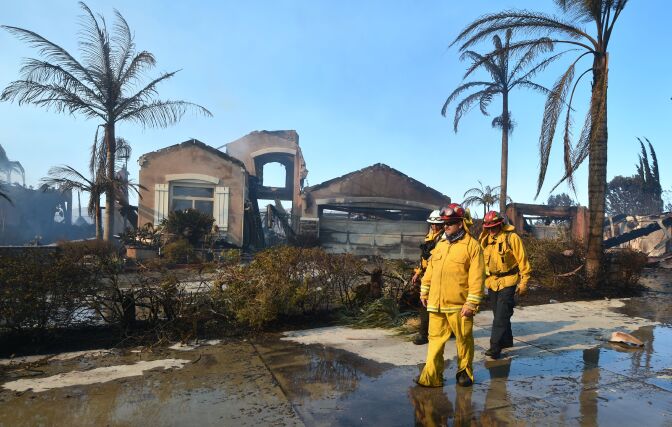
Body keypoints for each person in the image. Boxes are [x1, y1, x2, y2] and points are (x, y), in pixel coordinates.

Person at [416, 203, 485, 388]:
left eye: (450, 223)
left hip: (459, 305)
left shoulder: (472, 246)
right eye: (444, 223)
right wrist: (425, 289)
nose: (445, 226)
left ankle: (464, 373)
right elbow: (431, 269)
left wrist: (471, 303)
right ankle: (431, 376)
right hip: (436, 304)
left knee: (463, 341)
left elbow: (477, 278)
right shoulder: (441, 244)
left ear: (461, 223)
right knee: (435, 342)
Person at [479, 210, 531, 359]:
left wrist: (524, 282)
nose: (491, 230)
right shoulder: (485, 240)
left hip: (509, 281)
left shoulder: (512, 238)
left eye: (494, 226)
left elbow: (523, 261)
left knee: (500, 316)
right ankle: (507, 341)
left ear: (501, 224)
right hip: (492, 282)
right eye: (488, 227)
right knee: (499, 314)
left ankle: (495, 347)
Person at [410, 209, 445, 345]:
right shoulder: (429, 236)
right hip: (427, 274)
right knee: (424, 304)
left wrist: (430, 257)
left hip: (439, 275)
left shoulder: (444, 238)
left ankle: (429, 333)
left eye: (437, 225)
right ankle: (424, 333)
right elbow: (423, 259)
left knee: (441, 305)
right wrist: (418, 272)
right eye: (432, 224)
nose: (434, 227)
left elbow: (439, 259)